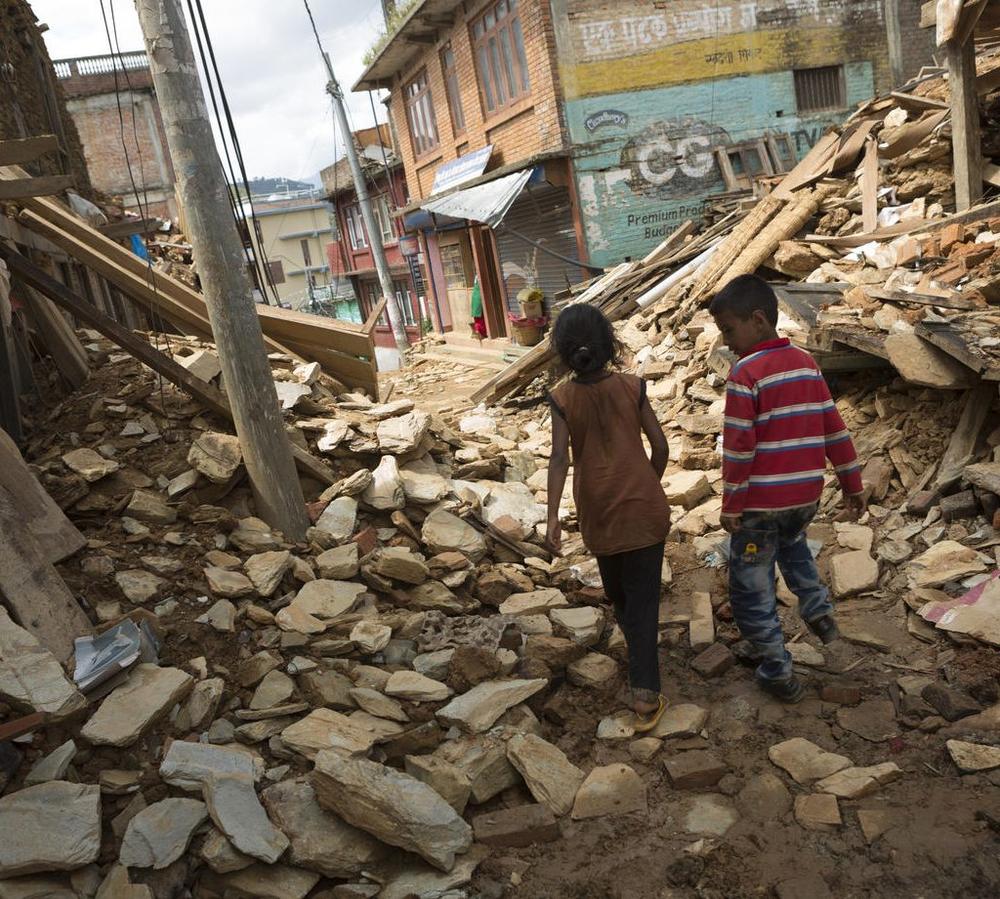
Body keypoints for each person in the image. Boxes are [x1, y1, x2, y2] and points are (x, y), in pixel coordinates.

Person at [710, 274, 866, 703]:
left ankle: (777, 670)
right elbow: (835, 428)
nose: (727, 341)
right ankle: (819, 614)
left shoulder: (745, 374)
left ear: (757, 320)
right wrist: (852, 483)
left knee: (751, 587)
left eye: (728, 329)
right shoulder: (806, 363)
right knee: (794, 549)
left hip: (760, 508)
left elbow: (739, 450)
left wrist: (732, 504)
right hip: (803, 501)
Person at [545, 304, 671, 731]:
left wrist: (552, 519)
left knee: (620, 595)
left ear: (563, 353)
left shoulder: (562, 399)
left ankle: (642, 680)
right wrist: (647, 485)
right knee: (643, 602)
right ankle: (645, 682)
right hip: (645, 511)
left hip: (599, 514)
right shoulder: (633, 387)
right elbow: (661, 447)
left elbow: (560, 459)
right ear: (610, 345)